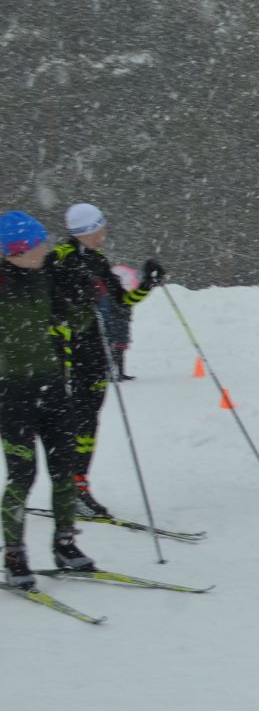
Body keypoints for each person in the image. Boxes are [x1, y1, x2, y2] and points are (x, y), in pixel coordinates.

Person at [49, 203, 162, 518]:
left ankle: (79, 484)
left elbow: (122, 300)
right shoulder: (58, 257)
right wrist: (70, 297)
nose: (104, 232)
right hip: (68, 351)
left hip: (94, 349)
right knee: (69, 422)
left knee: (89, 420)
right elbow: (44, 298)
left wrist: (148, 284)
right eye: (100, 227)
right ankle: (68, 488)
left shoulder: (98, 260)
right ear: (85, 230)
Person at [2, 211, 94, 587]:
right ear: (15, 250)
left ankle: (65, 543)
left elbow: (79, 322)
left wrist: (83, 296)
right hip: (10, 392)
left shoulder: (47, 276)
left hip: (52, 385)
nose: (44, 249)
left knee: (65, 467)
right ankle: (14, 554)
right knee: (23, 474)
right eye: (37, 245)